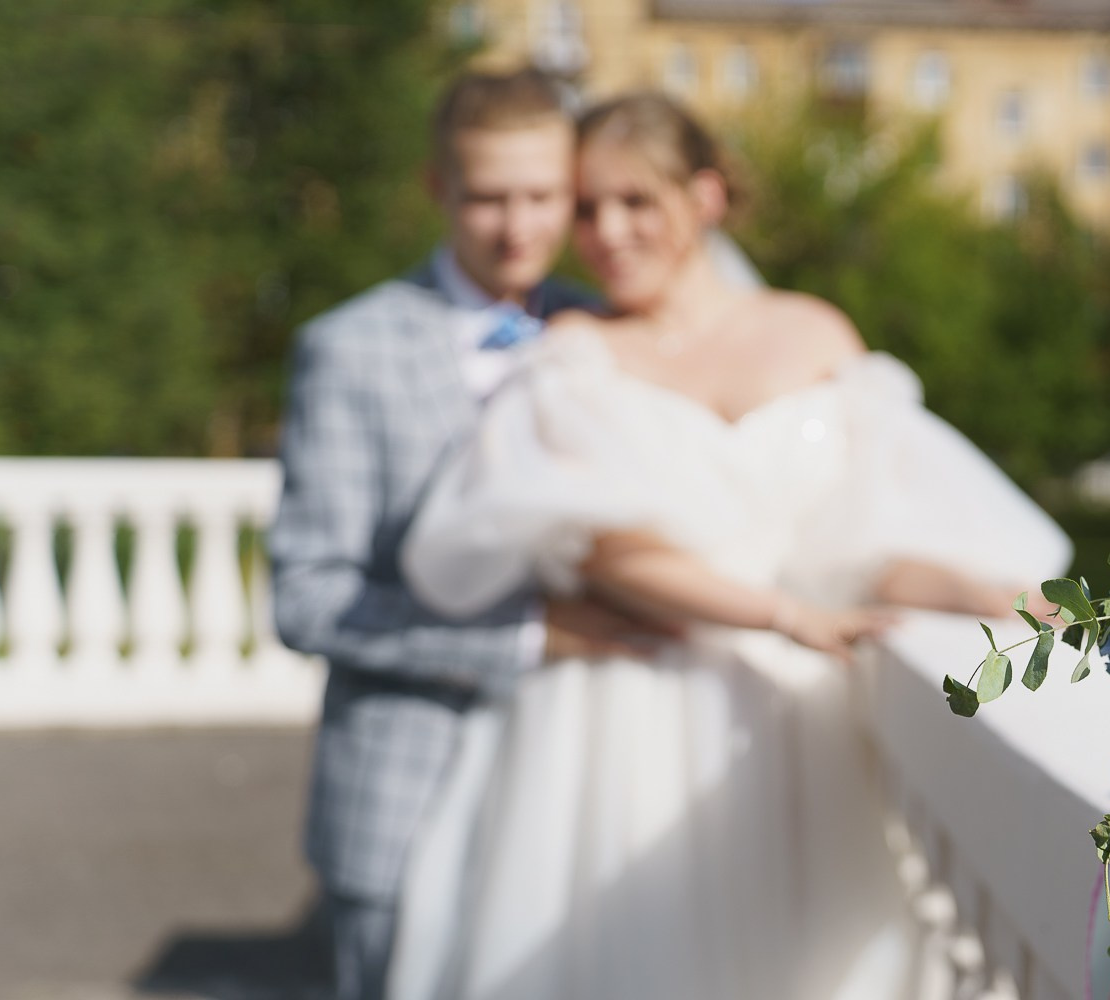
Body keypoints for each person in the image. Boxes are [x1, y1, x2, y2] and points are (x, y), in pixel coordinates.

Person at [384, 92, 1072, 999]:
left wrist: (986, 594)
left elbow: (863, 539)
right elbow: (601, 551)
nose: (606, 233)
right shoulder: (574, 350)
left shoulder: (813, 333)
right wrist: (781, 616)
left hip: (795, 727)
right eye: (587, 209)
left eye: (637, 202)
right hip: (626, 717)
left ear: (705, 197)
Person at [269, 68, 662, 1000]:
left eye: (542, 197)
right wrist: (533, 637)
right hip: (404, 796)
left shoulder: (613, 328)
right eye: (488, 197)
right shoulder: (349, 349)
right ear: (437, 188)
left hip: (584, 791)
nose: (518, 228)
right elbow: (309, 599)